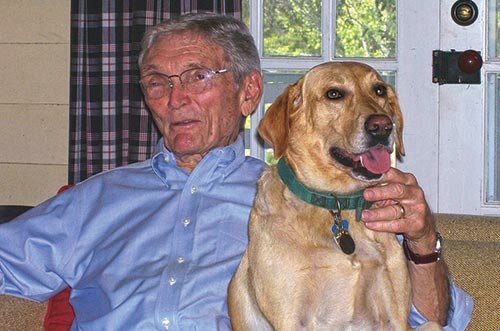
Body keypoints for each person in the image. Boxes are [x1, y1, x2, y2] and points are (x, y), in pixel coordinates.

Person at [0, 12, 472, 330]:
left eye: (197, 77)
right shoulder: (94, 199)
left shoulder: (306, 200)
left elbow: (433, 318)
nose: (175, 98)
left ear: (249, 93)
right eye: (157, 83)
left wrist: (423, 243)